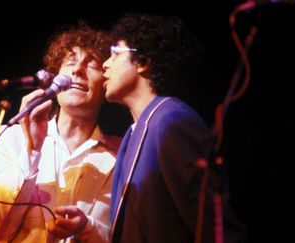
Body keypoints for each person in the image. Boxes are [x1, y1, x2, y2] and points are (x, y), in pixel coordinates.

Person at [102, 13, 247, 242]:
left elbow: (214, 226)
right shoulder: (131, 135)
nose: (105, 64)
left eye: (115, 53)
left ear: (143, 62)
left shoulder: (172, 120)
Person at [0, 22, 121, 242]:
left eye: (91, 63)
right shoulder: (8, 138)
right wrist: (32, 151)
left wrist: (87, 228)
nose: (77, 70)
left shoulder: (121, 156)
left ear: (106, 81)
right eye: (70, 61)